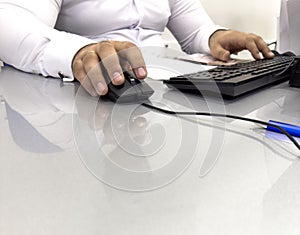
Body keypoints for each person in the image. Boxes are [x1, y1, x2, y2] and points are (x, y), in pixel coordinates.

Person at [0, 0, 274, 97]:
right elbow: (8, 22)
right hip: (94, 95)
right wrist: (79, 53)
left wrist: (217, 36)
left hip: (168, 92)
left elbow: (195, 31)